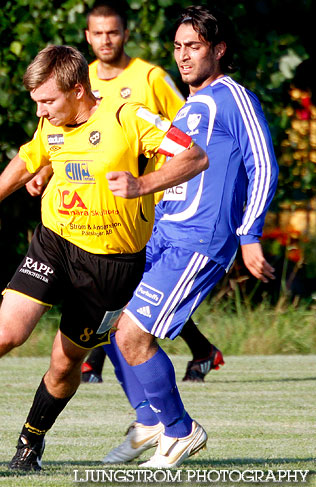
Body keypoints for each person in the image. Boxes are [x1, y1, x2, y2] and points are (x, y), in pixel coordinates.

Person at [0, 44, 208, 471]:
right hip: (54, 242)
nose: (40, 111)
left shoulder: (129, 118)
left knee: (65, 362)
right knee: (7, 332)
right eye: (35, 102)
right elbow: (29, 157)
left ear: (78, 89)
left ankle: (30, 444)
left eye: (47, 101)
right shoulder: (51, 124)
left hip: (111, 266)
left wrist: (142, 184)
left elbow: (195, 156)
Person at [101, 5, 278, 468]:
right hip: (163, 233)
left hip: (200, 239)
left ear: (218, 50)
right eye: (178, 47)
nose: (183, 56)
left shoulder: (234, 98)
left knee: (135, 333)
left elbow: (263, 165)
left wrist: (250, 234)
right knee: (107, 323)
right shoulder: (188, 107)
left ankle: (180, 431)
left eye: (193, 47)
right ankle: (150, 422)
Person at [27, 0, 224, 384]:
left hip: (150, 199)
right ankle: (195, 350)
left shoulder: (149, 77)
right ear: (87, 37)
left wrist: (157, 179)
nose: (105, 40)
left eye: (113, 32)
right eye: (98, 33)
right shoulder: (81, 81)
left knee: (127, 287)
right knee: (125, 289)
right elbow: (69, 139)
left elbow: (185, 124)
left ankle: (99, 366)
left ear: (125, 34)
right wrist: (47, 169)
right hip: (96, 206)